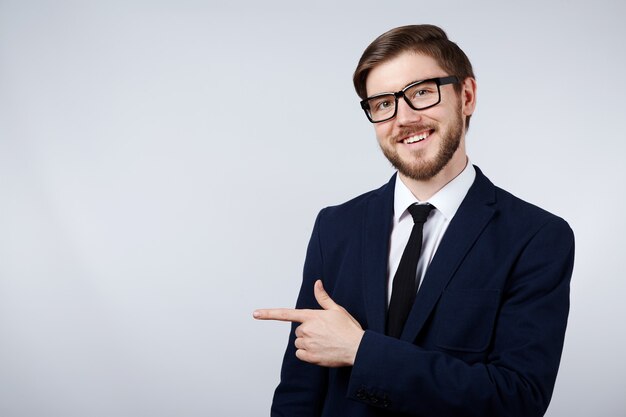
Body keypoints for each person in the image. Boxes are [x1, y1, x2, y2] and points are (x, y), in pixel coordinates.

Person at [253, 24, 575, 417]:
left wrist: (360, 351)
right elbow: (299, 395)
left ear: (467, 96)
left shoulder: (537, 237)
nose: (403, 118)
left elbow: (518, 399)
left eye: (421, 92)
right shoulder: (334, 227)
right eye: (383, 103)